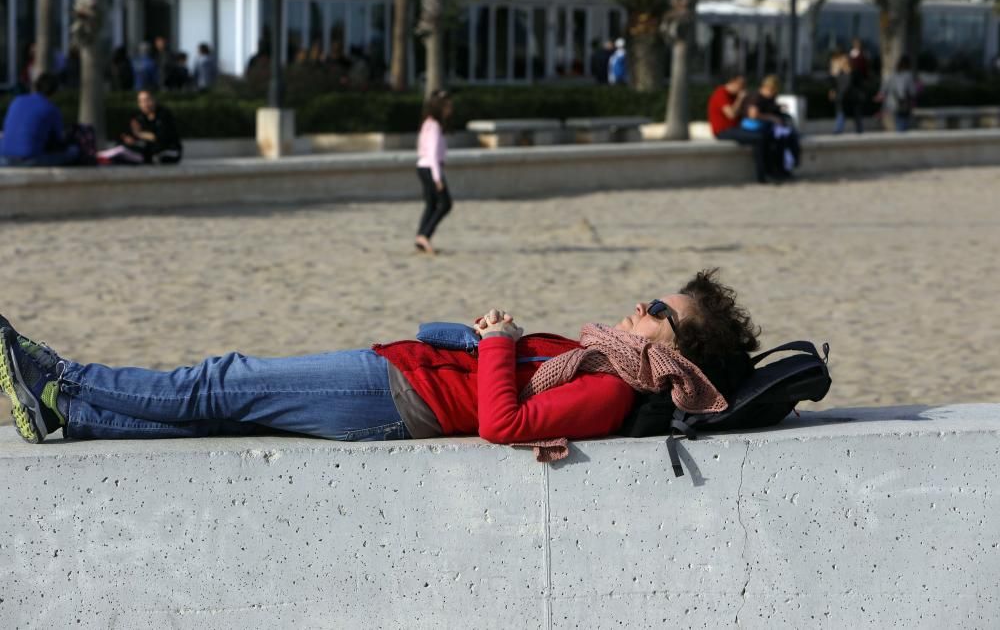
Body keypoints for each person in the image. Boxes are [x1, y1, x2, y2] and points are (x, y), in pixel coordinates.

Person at [0, 268, 760, 447]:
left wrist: (497, 342)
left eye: (661, 313)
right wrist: (489, 335)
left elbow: (501, 421)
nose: (643, 306)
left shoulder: (612, 391)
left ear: (679, 355)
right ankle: (76, 413)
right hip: (404, 377)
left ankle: (63, 377)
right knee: (231, 408)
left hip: (395, 396)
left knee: (222, 379)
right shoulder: (607, 360)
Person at [0, 72, 79, 167]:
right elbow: (59, 140)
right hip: (27, 160)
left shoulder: (17, 100)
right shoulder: (51, 109)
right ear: (55, 91)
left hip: (3, 157)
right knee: (73, 152)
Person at [708, 72, 772, 184]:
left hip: (736, 128)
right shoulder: (721, 93)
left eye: (744, 84)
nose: (743, 87)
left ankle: (771, 171)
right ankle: (762, 175)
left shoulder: (735, 95)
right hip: (723, 131)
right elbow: (731, 114)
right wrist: (740, 99)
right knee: (759, 138)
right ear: (732, 82)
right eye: (741, 84)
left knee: (767, 134)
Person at [414, 90, 453, 255]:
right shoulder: (434, 126)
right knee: (445, 203)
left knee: (431, 204)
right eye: (447, 106)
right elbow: (432, 154)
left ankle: (421, 237)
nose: (450, 109)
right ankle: (425, 235)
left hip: (424, 167)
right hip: (430, 168)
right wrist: (438, 179)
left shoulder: (427, 123)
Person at [96, 89, 182, 165]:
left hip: (166, 152)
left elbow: (160, 138)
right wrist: (129, 139)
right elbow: (126, 134)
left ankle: (99, 156)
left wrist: (139, 134)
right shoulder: (139, 118)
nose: (145, 104)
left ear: (154, 100)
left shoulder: (164, 115)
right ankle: (100, 157)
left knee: (125, 152)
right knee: (122, 150)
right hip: (145, 152)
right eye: (141, 101)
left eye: (147, 100)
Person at [740, 74, 801, 177]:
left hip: (768, 127)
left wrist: (778, 108)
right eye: (772, 90)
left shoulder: (769, 97)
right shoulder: (756, 97)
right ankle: (776, 169)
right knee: (779, 140)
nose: (773, 93)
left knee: (788, 138)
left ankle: (785, 167)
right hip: (756, 127)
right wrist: (772, 118)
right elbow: (753, 114)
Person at [877, 55, 918, 133]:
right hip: (904, 103)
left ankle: (899, 135)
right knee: (903, 123)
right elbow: (913, 91)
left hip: (893, 103)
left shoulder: (893, 75)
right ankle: (902, 139)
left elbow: (884, 87)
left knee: (898, 121)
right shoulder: (908, 75)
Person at [828, 49, 861, 135]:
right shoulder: (839, 73)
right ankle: (838, 129)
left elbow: (857, 84)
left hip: (852, 97)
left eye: (844, 60)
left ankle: (859, 130)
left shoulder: (854, 73)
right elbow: (834, 83)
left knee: (855, 113)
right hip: (842, 96)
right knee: (841, 112)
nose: (842, 62)